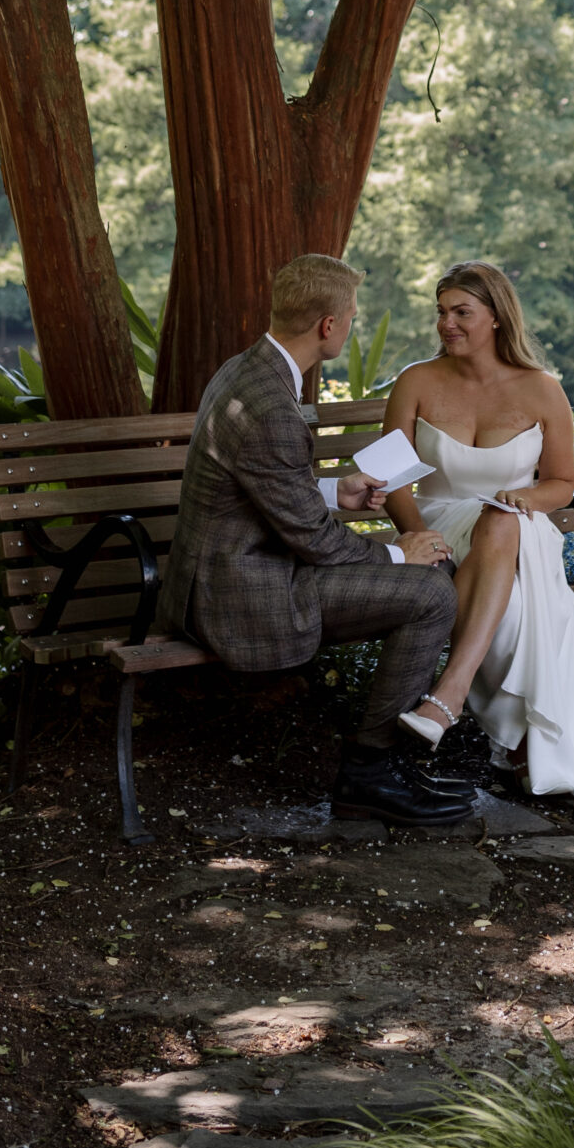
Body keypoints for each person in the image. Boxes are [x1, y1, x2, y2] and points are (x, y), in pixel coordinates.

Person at [159, 252, 469, 829]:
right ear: (329, 325)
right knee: (430, 592)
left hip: (223, 575)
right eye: (350, 317)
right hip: (241, 597)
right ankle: (371, 771)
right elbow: (317, 545)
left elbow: (264, 487)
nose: (349, 325)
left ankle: (391, 762)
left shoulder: (244, 371)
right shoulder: (271, 403)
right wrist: (399, 552)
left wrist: (334, 491)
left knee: (430, 581)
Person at [379, 262, 574, 805]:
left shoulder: (542, 390)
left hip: (520, 528)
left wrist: (526, 498)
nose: (446, 324)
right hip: (438, 526)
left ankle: (448, 697)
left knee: (503, 519)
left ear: (497, 317)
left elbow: (562, 484)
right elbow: (390, 480)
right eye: (441, 312)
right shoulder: (416, 381)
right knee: (527, 609)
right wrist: (416, 538)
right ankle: (519, 746)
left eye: (461, 312)